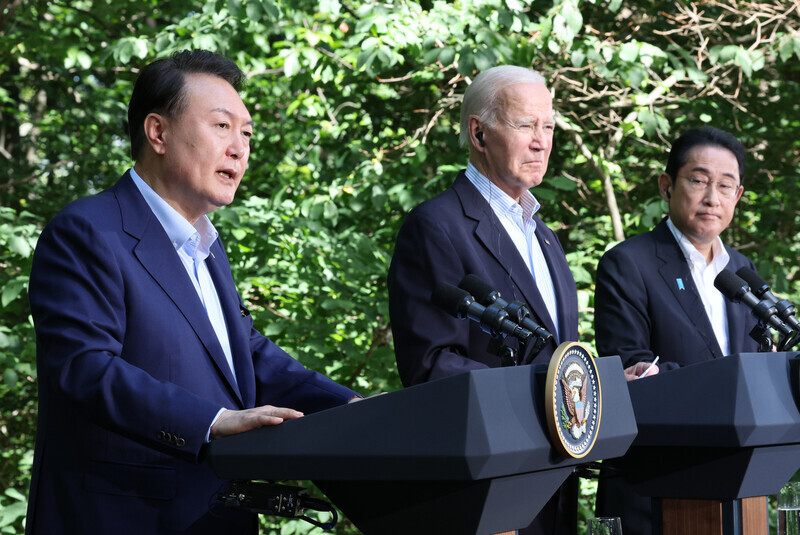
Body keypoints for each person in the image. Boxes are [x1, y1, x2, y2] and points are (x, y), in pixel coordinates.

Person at [25, 50, 359, 535]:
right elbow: (84, 368)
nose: (240, 148)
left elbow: (247, 353)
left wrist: (351, 407)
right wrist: (212, 420)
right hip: (123, 517)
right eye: (222, 126)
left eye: (246, 134)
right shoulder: (87, 232)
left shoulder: (207, 244)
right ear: (157, 132)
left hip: (218, 516)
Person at [387, 65, 578, 535]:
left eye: (549, 126)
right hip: (486, 493)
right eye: (525, 125)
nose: (542, 141)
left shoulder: (546, 236)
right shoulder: (436, 226)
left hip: (554, 482)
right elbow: (432, 367)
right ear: (478, 132)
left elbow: (556, 356)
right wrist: (546, 398)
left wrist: (600, 385)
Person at [593, 126, 761, 533]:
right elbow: (634, 372)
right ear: (667, 186)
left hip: (739, 490)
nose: (712, 197)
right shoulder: (628, 263)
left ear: (737, 197)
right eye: (699, 180)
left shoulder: (742, 271)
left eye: (725, 185)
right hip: (655, 489)